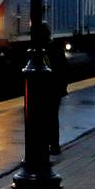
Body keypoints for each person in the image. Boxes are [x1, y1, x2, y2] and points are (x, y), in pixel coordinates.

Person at [33, 22, 68, 155]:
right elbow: (64, 69)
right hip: (55, 89)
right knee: (52, 117)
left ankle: (44, 144)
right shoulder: (56, 48)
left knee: (41, 117)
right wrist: (63, 87)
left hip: (42, 89)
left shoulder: (37, 50)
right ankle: (54, 145)